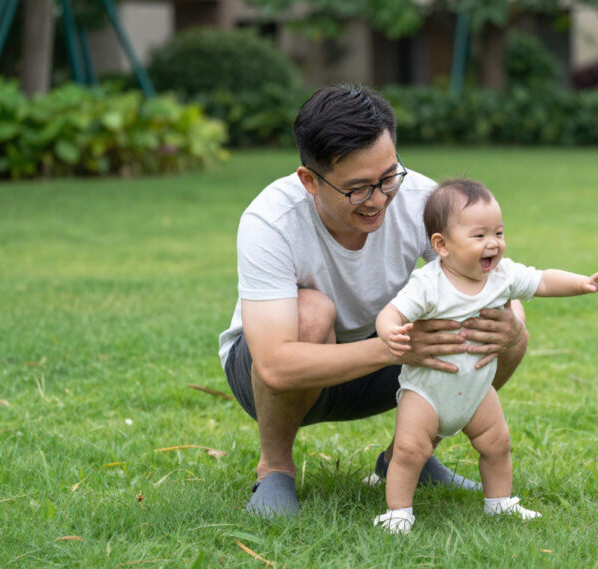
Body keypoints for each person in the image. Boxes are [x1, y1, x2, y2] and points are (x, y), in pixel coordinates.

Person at [218, 85, 529, 518]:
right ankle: (274, 469)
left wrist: (510, 324)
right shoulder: (270, 220)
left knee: (504, 325)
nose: (379, 199)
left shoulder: (422, 199)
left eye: (388, 177)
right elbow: (273, 364)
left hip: (383, 357)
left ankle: (409, 456)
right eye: (358, 188)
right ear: (309, 180)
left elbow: (493, 278)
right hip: (275, 373)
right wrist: (393, 347)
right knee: (312, 313)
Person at [372, 179, 598, 533]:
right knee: (410, 450)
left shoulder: (502, 276)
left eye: (499, 233)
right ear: (441, 245)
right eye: (479, 236)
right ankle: (398, 512)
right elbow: (392, 311)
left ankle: (499, 503)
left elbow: (543, 281)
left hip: (475, 388)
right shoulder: (428, 283)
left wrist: (584, 283)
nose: (493, 243)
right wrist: (389, 330)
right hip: (427, 391)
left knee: (497, 443)